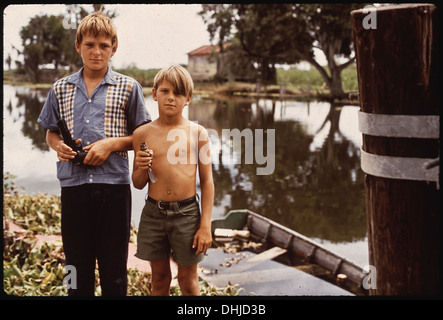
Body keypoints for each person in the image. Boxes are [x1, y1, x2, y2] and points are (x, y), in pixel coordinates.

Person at [37, 12, 151, 296]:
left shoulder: (128, 87)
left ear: (113, 47)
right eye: (89, 44)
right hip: (74, 187)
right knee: (76, 267)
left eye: (103, 45)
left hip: (113, 187)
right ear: (78, 45)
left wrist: (111, 145)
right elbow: (50, 131)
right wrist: (57, 146)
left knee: (114, 271)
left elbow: (145, 137)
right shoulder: (60, 88)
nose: (96, 52)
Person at [132, 65, 214, 296]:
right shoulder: (142, 134)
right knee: (159, 278)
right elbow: (138, 182)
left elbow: (207, 182)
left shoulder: (199, 133)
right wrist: (140, 165)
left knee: (188, 280)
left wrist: (205, 225)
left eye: (178, 93)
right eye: (165, 91)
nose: (171, 98)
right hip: (153, 214)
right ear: (154, 93)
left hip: (187, 215)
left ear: (188, 98)